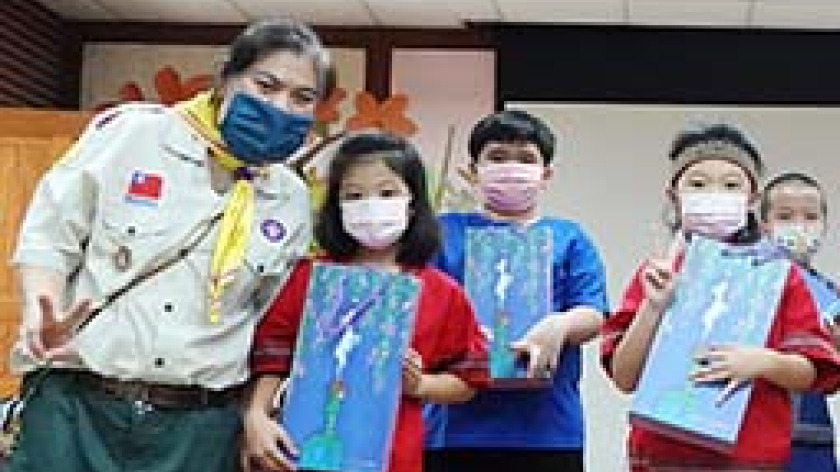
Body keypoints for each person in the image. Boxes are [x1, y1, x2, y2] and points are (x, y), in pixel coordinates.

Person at [6, 19, 330, 472]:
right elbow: (50, 236)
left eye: (303, 98)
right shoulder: (134, 135)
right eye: (266, 86)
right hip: (78, 408)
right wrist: (41, 310)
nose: (280, 107)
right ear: (226, 79)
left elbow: (267, 320)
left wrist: (256, 413)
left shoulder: (289, 199)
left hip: (199, 430)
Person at [243, 132, 489, 472]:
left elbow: (468, 378)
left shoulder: (442, 292)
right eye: (354, 195)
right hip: (296, 452)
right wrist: (257, 414)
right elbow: (273, 356)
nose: (371, 205)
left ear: (413, 201)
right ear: (337, 205)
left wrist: (421, 384)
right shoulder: (309, 277)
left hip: (392, 456)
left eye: (387, 193)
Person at [601, 122, 840, 471]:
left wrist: (762, 362)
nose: (715, 194)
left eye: (731, 185)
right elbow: (625, 378)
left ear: (752, 198)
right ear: (674, 194)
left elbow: (811, 371)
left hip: (749, 457)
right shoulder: (658, 273)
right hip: (661, 457)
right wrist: (652, 308)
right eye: (698, 184)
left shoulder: (777, 276)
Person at [423, 110, 609, 472]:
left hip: (548, 430)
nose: (511, 168)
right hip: (454, 429)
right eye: (497, 157)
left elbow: (592, 312)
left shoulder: (569, 237)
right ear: (472, 171)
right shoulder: (442, 234)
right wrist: (462, 334)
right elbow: (422, 311)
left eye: (525, 159)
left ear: (546, 174)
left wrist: (560, 325)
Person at [759, 172, 839, 472]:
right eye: (785, 216)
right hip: (753, 433)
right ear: (764, 224)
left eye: (811, 217)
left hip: (811, 438)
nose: (799, 225)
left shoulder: (831, 294)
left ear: (824, 224)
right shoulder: (746, 285)